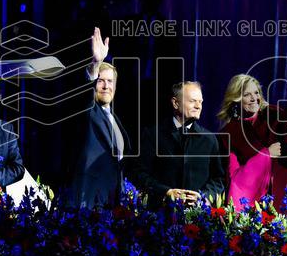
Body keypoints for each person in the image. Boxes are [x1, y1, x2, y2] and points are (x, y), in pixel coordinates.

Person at [218, 48, 287, 213]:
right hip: (255, 206)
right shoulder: (229, 133)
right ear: (236, 100)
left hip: (283, 191)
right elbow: (236, 180)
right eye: (247, 94)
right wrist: (267, 154)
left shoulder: (273, 114)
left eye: (257, 92)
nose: (255, 98)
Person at [131, 81, 225, 207]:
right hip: (160, 215)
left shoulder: (209, 139)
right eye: (193, 101)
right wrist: (166, 192)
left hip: (197, 218)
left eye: (200, 102)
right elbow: (139, 173)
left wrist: (203, 196)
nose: (198, 106)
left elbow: (218, 180)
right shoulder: (153, 135)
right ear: (175, 103)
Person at [67, 27, 131, 208]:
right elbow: (84, 97)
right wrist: (96, 64)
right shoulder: (87, 111)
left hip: (112, 201)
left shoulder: (115, 120)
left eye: (110, 82)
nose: (105, 86)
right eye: (101, 81)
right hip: (87, 199)